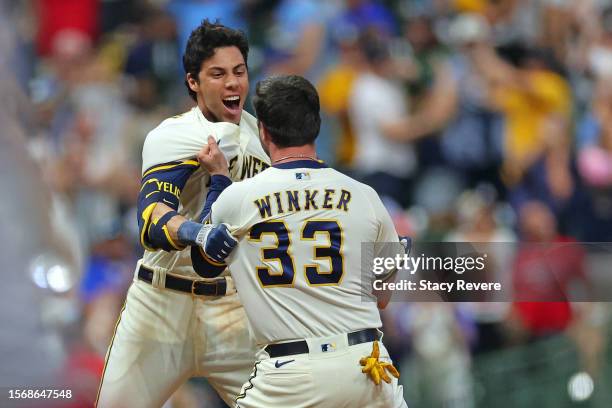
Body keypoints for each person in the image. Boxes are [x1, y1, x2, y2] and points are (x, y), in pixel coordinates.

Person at [194, 75, 409, 408]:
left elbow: (202, 262)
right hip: (366, 366)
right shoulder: (365, 195)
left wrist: (219, 180)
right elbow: (382, 297)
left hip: (289, 373)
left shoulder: (237, 199)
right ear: (317, 126)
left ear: (263, 131)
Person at [96, 20, 270, 408]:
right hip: (162, 303)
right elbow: (153, 217)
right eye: (218, 74)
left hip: (232, 309)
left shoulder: (263, 139)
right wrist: (196, 232)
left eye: (239, 72)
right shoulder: (174, 135)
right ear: (193, 82)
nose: (232, 84)